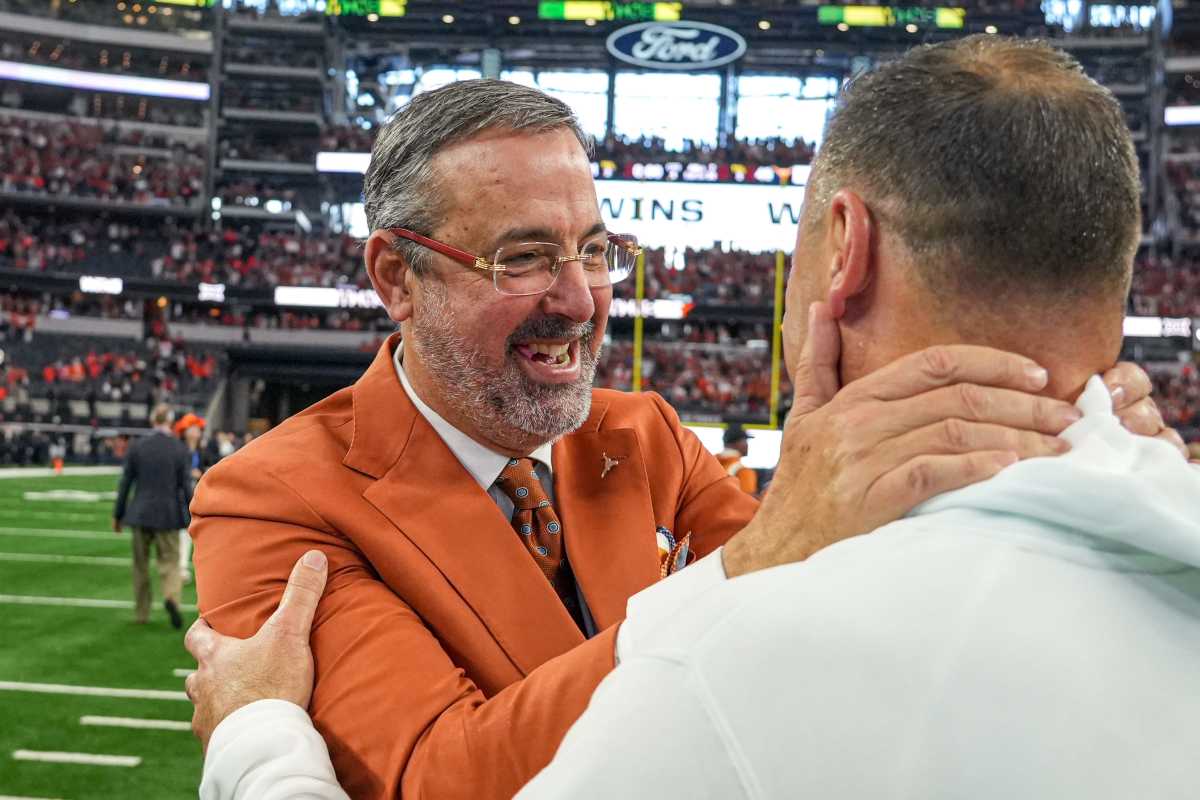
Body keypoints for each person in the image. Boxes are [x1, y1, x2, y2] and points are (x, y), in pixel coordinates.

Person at [185, 78, 1177, 799]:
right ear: (398, 276)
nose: (578, 299)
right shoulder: (269, 494)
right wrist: (761, 549)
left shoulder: (643, 430)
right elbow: (440, 777)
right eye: (526, 258)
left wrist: (1051, 435)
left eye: (595, 252)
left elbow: (838, 590)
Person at [113, 403, 193, 629]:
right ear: (170, 422)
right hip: (168, 516)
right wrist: (193, 515)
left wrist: (118, 514)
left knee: (140, 566)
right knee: (170, 563)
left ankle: (142, 612)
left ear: (152, 421)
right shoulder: (179, 449)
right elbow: (185, 488)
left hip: (139, 514)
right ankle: (171, 598)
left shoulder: (138, 447)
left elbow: (125, 483)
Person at [715, 424, 758, 495]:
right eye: (744, 440)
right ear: (735, 443)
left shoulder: (709, 464)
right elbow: (747, 503)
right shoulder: (743, 472)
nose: (747, 445)